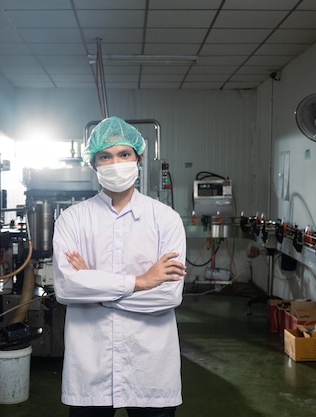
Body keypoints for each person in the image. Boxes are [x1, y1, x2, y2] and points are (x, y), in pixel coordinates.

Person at [52, 116, 187, 417]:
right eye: (105, 156)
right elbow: (66, 288)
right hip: (91, 366)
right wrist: (140, 281)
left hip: (150, 367)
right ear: (93, 164)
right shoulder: (72, 220)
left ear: (139, 159)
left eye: (124, 154)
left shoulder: (166, 220)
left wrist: (95, 286)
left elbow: (168, 295)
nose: (115, 163)